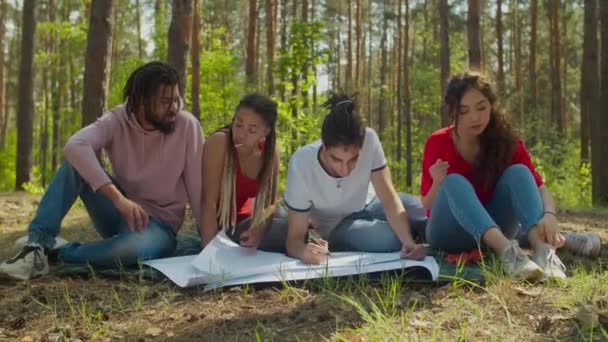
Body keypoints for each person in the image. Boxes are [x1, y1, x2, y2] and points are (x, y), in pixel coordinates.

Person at [0, 61, 204, 280]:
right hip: (120, 210)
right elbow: (74, 146)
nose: (174, 107)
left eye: (176, 99)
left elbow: (198, 190)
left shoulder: (187, 126)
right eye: (165, 102)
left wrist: (208, 244)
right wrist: (118, 198)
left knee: (132, 251)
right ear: (141, 102)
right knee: (74, 166)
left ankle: (58, 253)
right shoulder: (117, 119)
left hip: (159, 228)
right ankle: (36, 245)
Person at [421, 71, 600, 281]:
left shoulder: (506, 140)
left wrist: (549, 215)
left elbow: (539, 188)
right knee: (453, 181)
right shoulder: (438, 142)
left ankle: (544, 252)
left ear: (491, 105)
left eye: (481, 107)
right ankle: (508, 253)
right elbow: (427, 203)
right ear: (453, 111)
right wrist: (437, 182)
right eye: (464, 111)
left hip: (496, 227)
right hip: (448, 234)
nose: (475, 117)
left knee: (519, 173)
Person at [284, 92, 427, 265]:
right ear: (323, 144)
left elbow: (389, 199)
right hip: (337, 225)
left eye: (353, 160)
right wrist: (304, 251)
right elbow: (294, 240)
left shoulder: (370, 139)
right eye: (336, 160)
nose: (345, 170)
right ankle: (417, 236)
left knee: (420, 210)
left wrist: (408, 243)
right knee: (387, 239)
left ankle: (428, 239)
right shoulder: (301, 163)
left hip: (371, 202)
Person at [200, 93, 286, 251]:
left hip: (248, 223)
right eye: (238, 125)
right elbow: (209, 202)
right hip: (222, 226)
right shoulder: (219, 143)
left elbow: (271, 203)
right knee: (283, 230)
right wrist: (208, 255)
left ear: (265, 132)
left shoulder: (269, 154)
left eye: (252, 130)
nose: (240, 135)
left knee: (282, 216)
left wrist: (259, 229)